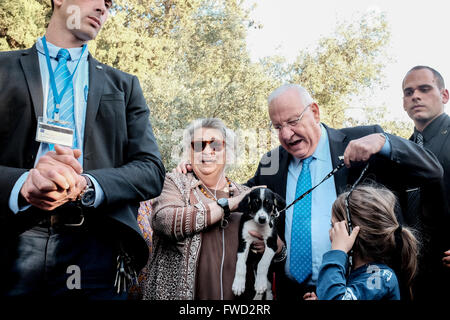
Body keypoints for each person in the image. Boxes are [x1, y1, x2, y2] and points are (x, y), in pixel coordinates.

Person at [177, 84, 443, 300]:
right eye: (277, 126)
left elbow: (432, 169)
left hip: (357, 289)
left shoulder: (363, 139)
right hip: (290, 291)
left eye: (293, 121)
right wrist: (198, 170)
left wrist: (384, 142)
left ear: (315, 112)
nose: (286, 134)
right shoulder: (271, 164)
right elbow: (237, 195)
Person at [0, 0, 165, 298]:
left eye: (110, 3)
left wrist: (87, 185)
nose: (104, 7)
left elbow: (151, 170)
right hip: (12, 240)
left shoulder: (125, 86)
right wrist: (22, 182)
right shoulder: (3, 68)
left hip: (95, 246)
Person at [143, 118, 271, 300]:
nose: (207, 151)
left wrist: (266, 246)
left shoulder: (244, 194)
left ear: (228, 152)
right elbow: (164, 221)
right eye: (198, 145)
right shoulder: (174, 183)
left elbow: (275, 250)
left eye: (216, 145)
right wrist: (231, 204)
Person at [307, 185, 418, 300]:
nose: (330, 232)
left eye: (334, 226)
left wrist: (337, 251)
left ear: (350, 232)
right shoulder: (352, 272)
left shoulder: (379, 278)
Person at [402, 65, 450, 298]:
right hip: (412, 278)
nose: (415, 96)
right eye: (408, 92)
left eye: (424, 89)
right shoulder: (401, 151)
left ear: (444, 95)